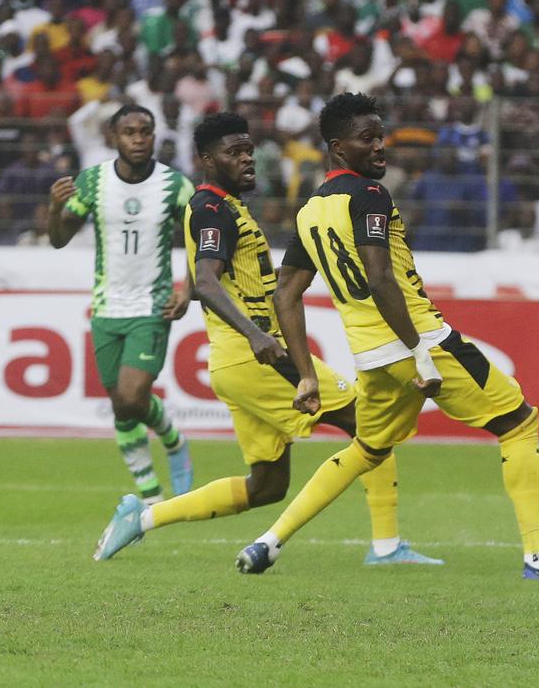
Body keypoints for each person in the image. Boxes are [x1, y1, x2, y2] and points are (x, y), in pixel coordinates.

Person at [236, 93, 539, 582]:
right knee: (518, 422)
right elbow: (381, 278)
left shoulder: (308, 211)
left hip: (369, 357)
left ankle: (267, 542)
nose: (380, 146)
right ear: (339, 148)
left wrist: (305, 375)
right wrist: (420, 353)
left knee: (367, 449)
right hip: (417, 340)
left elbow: (285, 296)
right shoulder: (370, 196)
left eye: (382, 136)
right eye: (368, 139)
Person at [92, 113, 441, 567]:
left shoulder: (230, 207)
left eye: (248, 152)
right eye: (233, 153)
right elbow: (205, 281)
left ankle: (141, 518)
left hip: (237, 364)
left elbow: (243, 281)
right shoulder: (211, 207)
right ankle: (386, 545)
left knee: (267, 487)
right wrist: (257, 334)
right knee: (370, 423)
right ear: (206, 160)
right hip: (255, 358)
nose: (246, 160)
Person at [46, 104, 195, 506]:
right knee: (121, 406)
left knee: (131, 397)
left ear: (154, 135)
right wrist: (53, 208)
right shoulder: (93, 182)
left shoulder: (175, 185)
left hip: (152, 305)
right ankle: (149, 497)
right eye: (129, 132)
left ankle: (174, 441)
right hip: (107, 306)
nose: (138, 139)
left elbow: (205, 239)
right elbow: (59, 239)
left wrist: (187, 288)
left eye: (145, 131)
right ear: (114, 138)